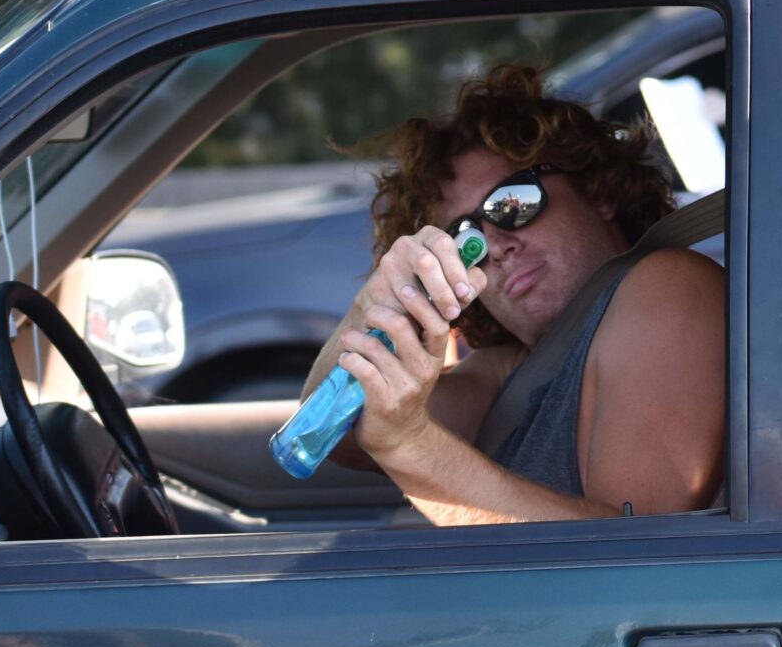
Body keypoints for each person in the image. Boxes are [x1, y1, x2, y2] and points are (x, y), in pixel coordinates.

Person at [298, 63, 725, 524]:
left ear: (596, 189)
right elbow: (332, 432)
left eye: (513, 203)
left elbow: (635, 563)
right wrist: (373, 307)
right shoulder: (510, 368)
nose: (495, 246)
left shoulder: (666, 288)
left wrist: (411, 445)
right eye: (463, 239)